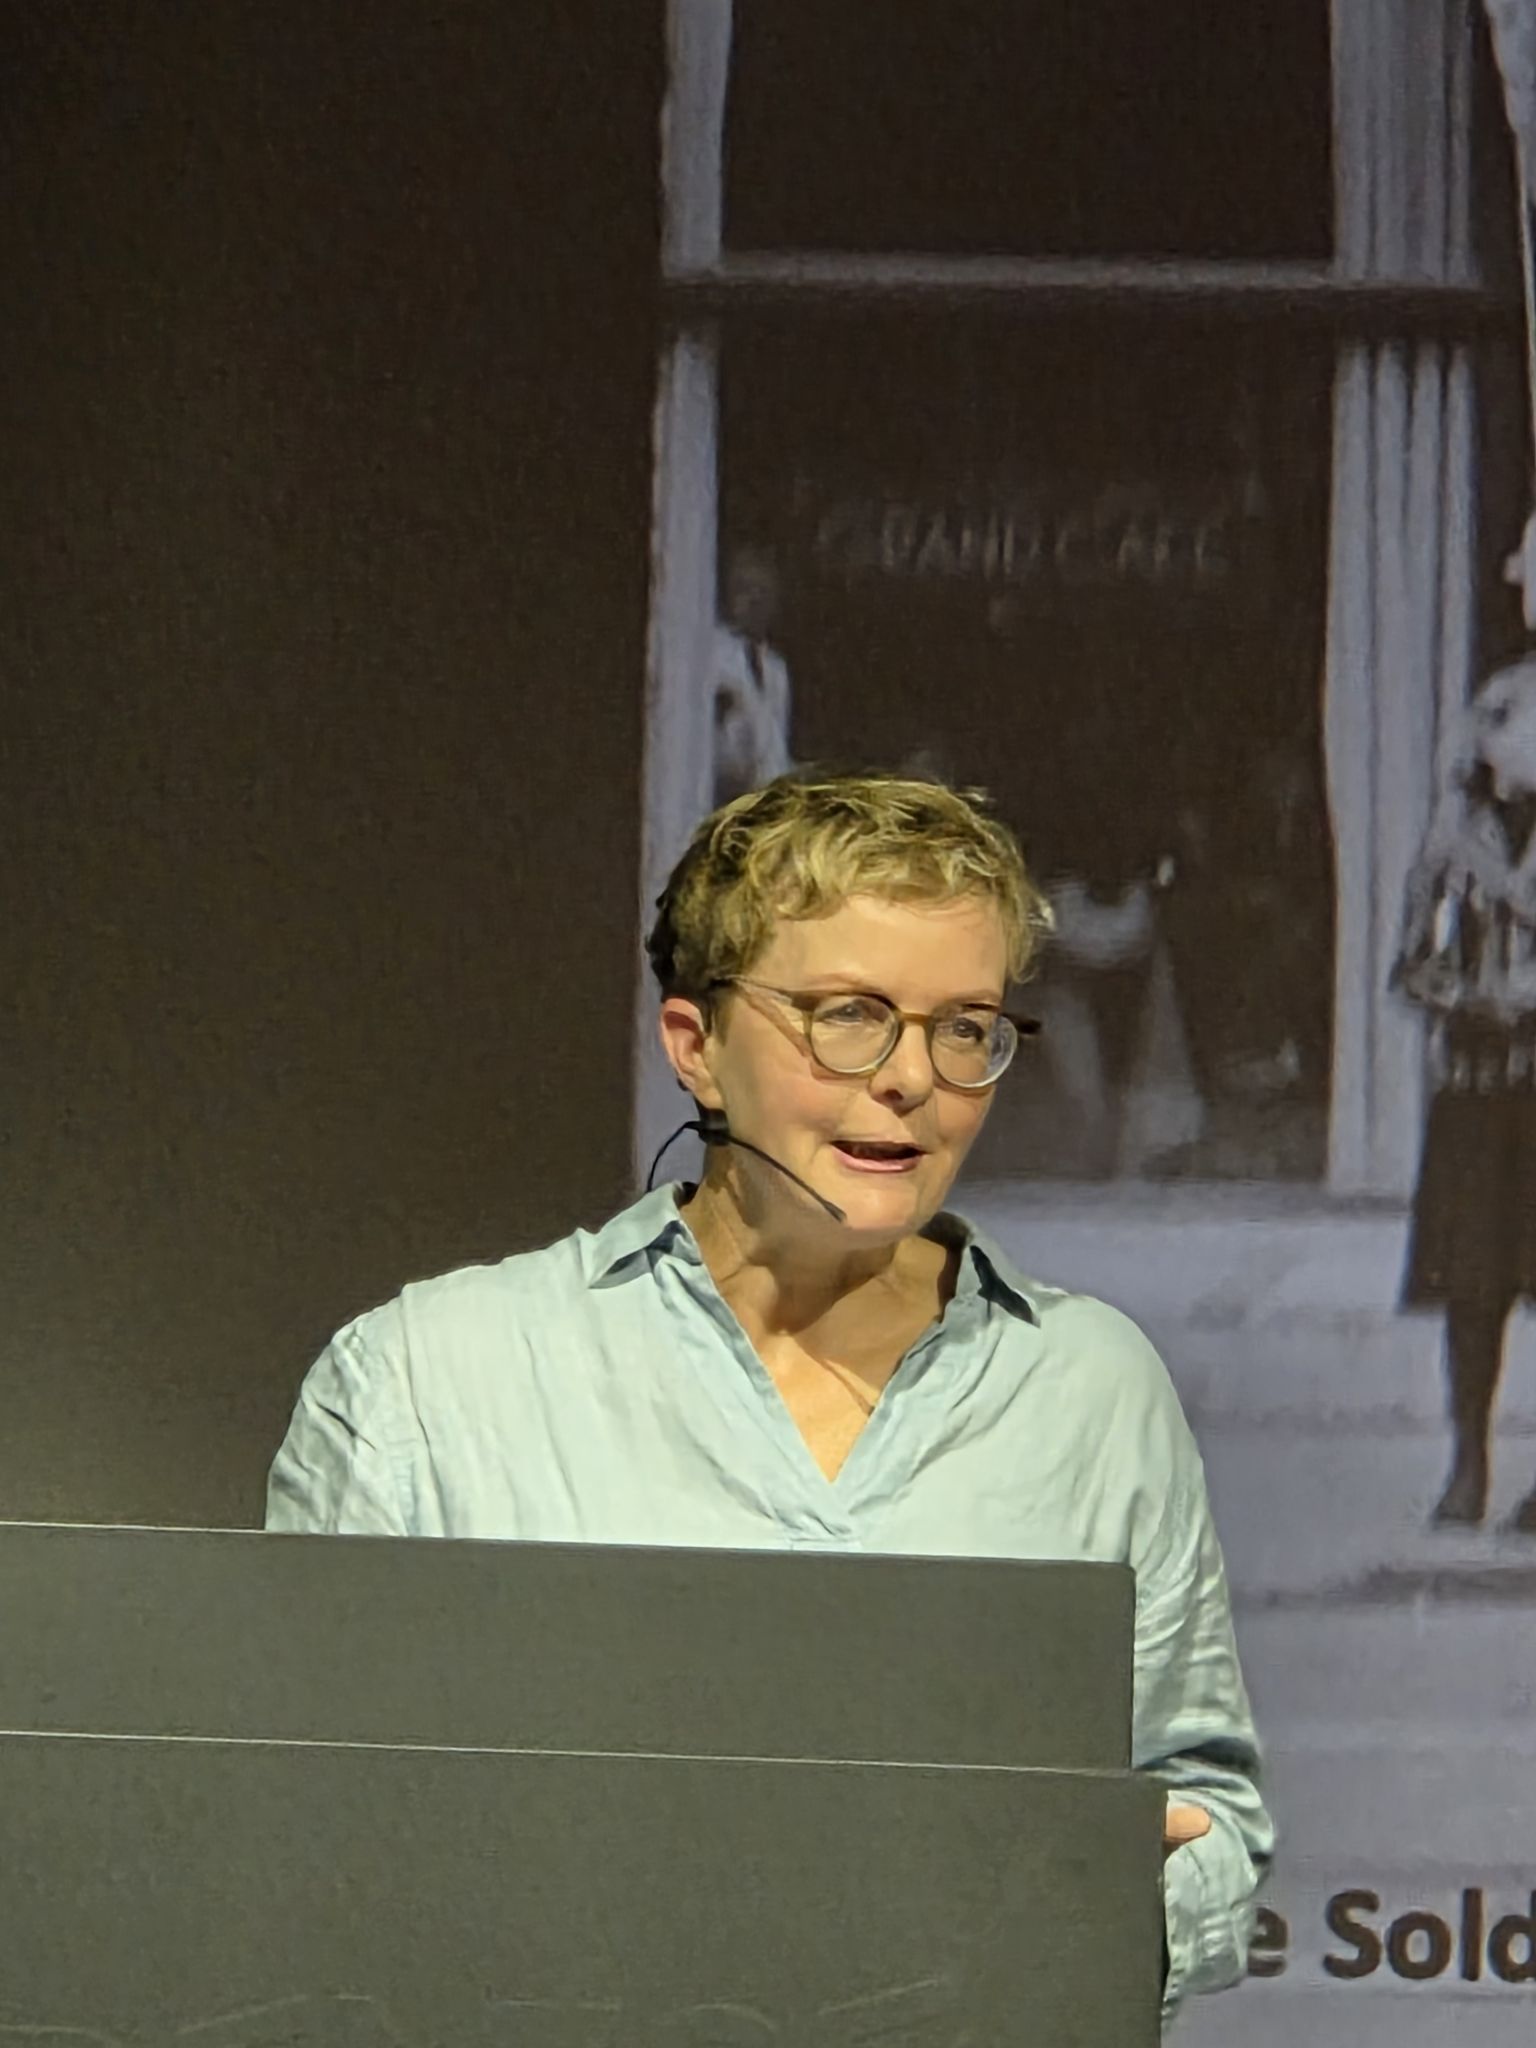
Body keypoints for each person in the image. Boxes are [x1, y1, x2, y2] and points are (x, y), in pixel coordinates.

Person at [266, 770, 1273, 2027]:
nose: (912, 1076)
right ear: (696, 1046)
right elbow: (298, 1843)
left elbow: (1207, 1814)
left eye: (965, 1027)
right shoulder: (429, 1383)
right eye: (850, 1015)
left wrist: (1116, 1906)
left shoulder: (1090, 1388)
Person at [1396, 656, 1536, 1529]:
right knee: (1474, 1284)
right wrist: (1459, 993)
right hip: (1481, 1081)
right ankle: (1468, 1462)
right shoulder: (1455, 840)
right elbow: (1415, 959)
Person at [711, 543, 793, 806]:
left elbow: (775, 749)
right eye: (745, 589)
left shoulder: (775, 669)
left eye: (763, 591)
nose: (755, 600)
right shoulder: (710, 655)